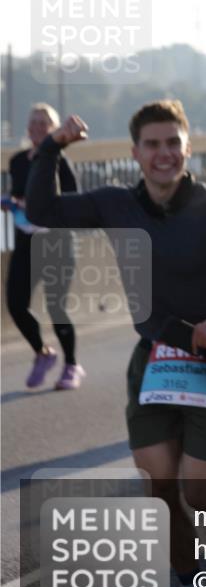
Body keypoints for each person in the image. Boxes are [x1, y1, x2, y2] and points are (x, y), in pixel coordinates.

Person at [26, 100, 206, 587]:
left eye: (172, 143)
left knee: (203, 493)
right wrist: (51, 146)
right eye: (152, 145)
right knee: (160, 484)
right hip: (154, 361)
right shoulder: (117, 205)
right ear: (136, 153)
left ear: (187, 147)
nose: (163, 154)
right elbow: (43, 211)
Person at [4, 103, 83, 390]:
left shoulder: (59, 161)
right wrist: (12, 204)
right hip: (26, 239)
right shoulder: (17, 162)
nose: (38, 127)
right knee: (15, 303)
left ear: (54, 130)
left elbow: (73, 200)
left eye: (44, 123)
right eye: (33, 122)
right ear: (28, 128)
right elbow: (18, 195)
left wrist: (38, 204)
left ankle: (72, 365)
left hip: (56, 241)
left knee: (56, 306)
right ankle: (42, 353)